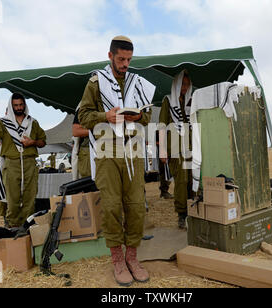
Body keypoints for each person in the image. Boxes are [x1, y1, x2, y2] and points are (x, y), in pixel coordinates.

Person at [78, 35, 155, 286]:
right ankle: (117, 260)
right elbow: (84, 115)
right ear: (110, 56)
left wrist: (136, 117)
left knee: (135, 205)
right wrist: (106, 116)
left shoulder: (138, 82)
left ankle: (132, 257)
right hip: (106, 149)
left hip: (132, 149)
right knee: (111, 206)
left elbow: (148, 114)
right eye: (121, 59)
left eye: (129, 60)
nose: (125, 64)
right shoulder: (95, 82)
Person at [0, 93, 47, 227]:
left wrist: (32, 142)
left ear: (24, 105)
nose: (19, 107)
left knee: (30, 198)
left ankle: (27, 227)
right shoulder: (3, 123)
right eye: (16, 105)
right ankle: (13, 227)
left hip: (29, 162)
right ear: (11, 106)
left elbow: (42, 141)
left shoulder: (32, 122)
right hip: (11, 163)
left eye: (21, 105)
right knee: (12, 198)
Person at [158, 70, 194, 229]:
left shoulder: (190, 102)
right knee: (181, 182)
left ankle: (193, 212)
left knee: (192, 181)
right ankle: (182, 215)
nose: (185, 88)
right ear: (176, 84)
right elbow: (162, 126)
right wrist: (162, 150)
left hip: (191, 148)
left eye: (187, 85)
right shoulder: (168, 101)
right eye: (182, 84)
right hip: (175, 149)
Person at [72, 104, 91, 179]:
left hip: (109, 150)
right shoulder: (84, 106)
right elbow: (76, 131)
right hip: (88, 150)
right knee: (89, 185)